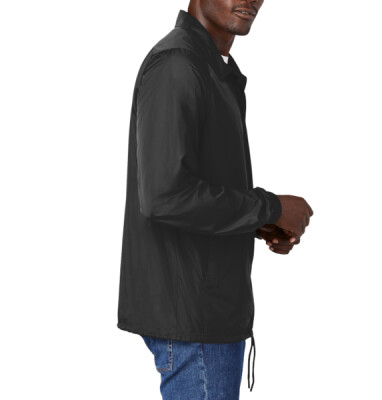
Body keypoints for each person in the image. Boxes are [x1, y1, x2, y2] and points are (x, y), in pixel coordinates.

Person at [117, 1, 313, 398]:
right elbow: (164, 195)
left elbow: (193, 187)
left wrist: (260, 222)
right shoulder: (178, 64)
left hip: (206, 314)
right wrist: (270, 207)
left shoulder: (210, 67)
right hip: (195, 320)